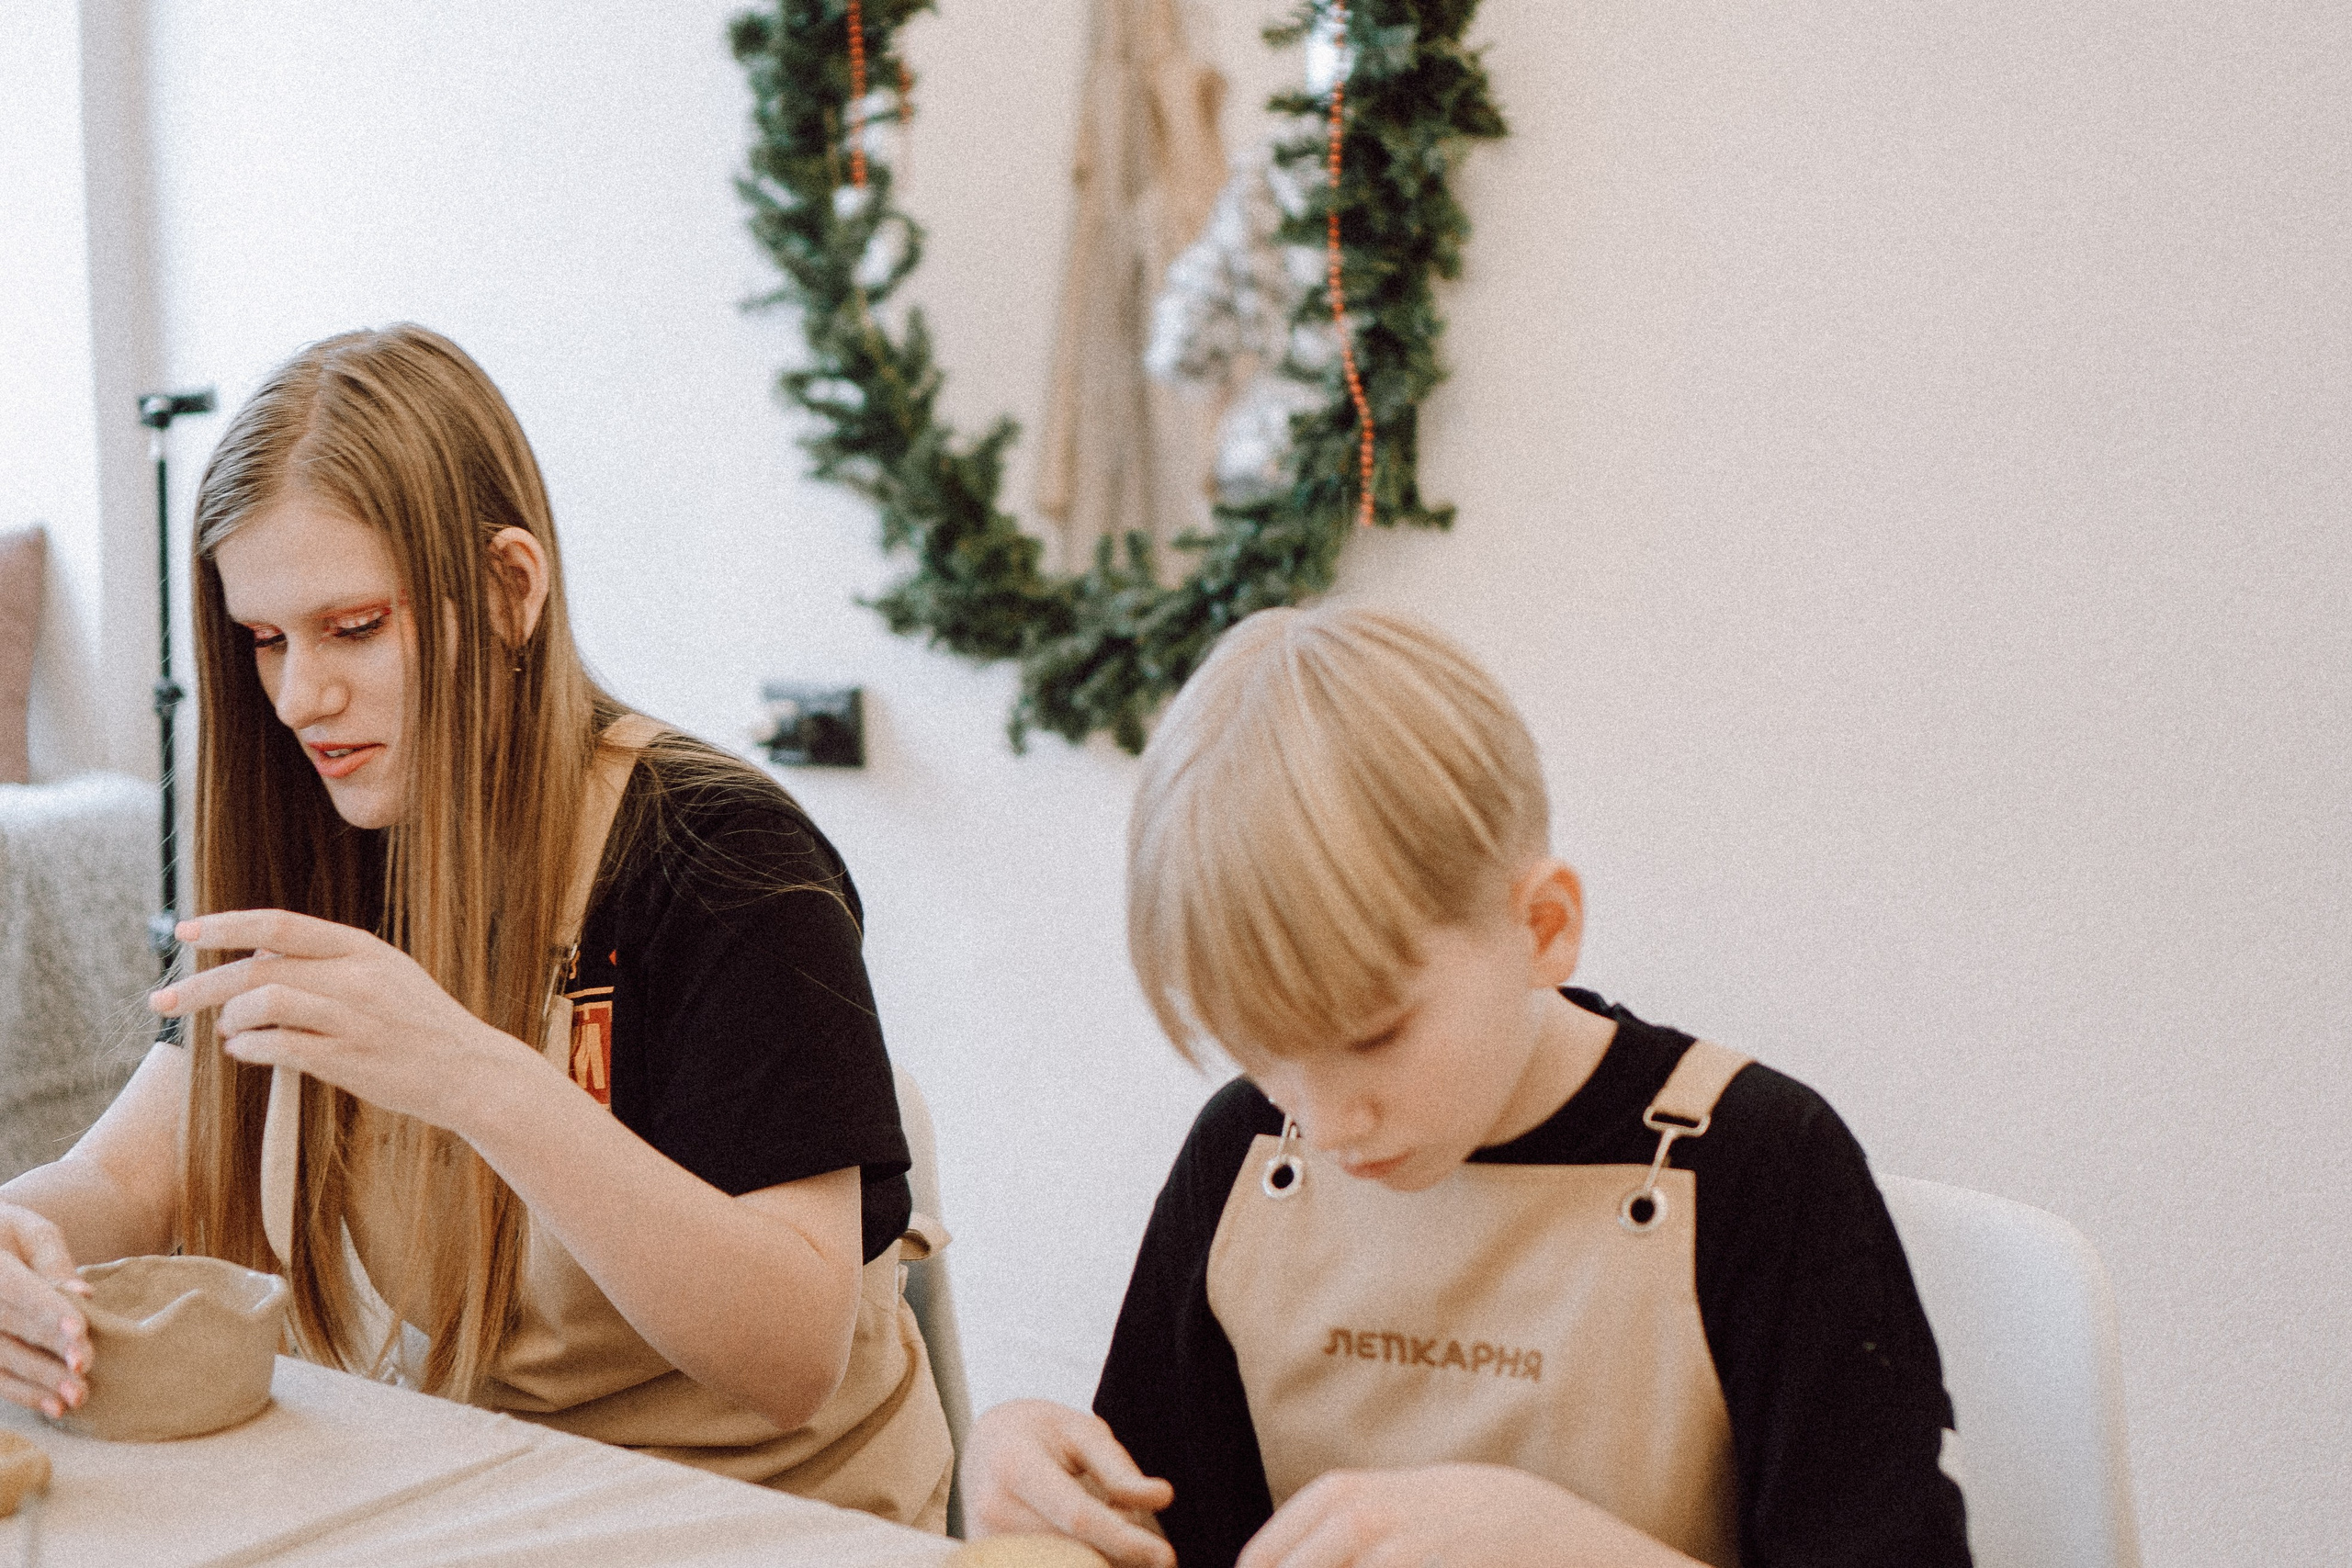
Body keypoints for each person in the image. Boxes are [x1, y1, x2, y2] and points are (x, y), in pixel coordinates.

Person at [0, 325, 952, 1528]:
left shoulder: (718, 858)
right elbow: (125, 1174)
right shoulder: (327, 841)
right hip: (483, 1497)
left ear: (510, 589)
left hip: (762, 1520)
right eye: (265, 641)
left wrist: (474, 1074)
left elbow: (790, 1349)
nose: (301, 697)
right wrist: (18, 1228)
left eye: (354, 627)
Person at [963, 605, 1972, 1568]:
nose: (1325, 1122)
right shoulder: (1245, 1150)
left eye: (1372, 1036)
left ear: (1541, 928)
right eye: (1263, 1053)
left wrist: (1566, 1549)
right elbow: (1172, 1528)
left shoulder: (1760, 1165)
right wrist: (1037, 1479)